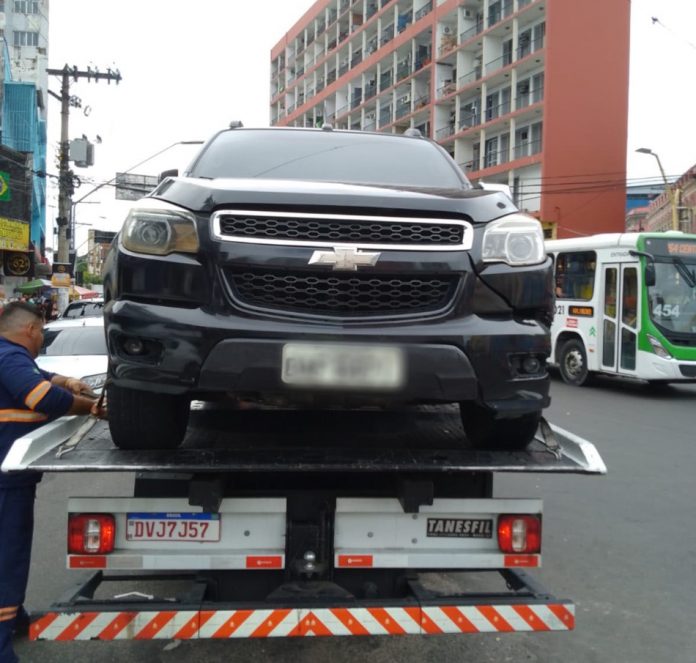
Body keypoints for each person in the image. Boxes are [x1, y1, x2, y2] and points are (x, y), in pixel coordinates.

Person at [0, 302, 107, 663]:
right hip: (4, 480)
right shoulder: (9, 357)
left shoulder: (9, 357)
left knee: (10, 555)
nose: (42, 337)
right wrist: (86, 405)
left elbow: (43, 378)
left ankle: (12, 619)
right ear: (30, 330)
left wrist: (66, 381)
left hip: (10, 478)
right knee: (7, 557)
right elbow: (41, 397)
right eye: (42, 331)